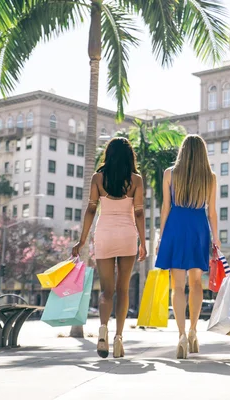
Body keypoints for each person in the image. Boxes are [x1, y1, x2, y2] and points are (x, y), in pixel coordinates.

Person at [72, 137, 146, 359]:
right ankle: (118, 338)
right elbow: (139, 213)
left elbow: (91, 210)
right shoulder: (136, 180)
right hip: (126, 235)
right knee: (123, 290)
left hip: (104, 234)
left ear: (109, 154)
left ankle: (103, 330)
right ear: (129, 156)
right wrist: (143, 242)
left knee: (106, 290)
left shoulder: (97, 178)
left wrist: (82, 240)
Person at [156, 135, 219, 359]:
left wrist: (161, 237)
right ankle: (193, 331)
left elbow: (165, 208)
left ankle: (181, 335)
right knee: (196, 284)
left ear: (182, 151)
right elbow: (211, 213)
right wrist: (216, 240)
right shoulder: (210, 178)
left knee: (177, 286)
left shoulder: (169, 174)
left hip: (175, 227)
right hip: (198, 229)